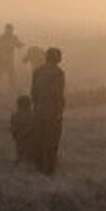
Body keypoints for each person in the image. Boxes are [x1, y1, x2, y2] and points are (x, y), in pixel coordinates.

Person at [30, 47, 65, 175]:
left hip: (39, 109)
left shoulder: (37, 71)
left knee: (39, 138)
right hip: (52, 110)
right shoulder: (58, 73)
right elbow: (58, 93)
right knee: (52, 140)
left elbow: (33, 92)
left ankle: (38, 167)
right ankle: (50, 168)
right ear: (56, 58)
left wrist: (36, 106)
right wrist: (60, 110)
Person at [0, 23, 24, 91]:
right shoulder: (1, 38)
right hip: (1, 61)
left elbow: (18, 44)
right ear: (6, 30)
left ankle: (16, 90)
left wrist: (20, 44)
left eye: (11, 30)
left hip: (9, 61)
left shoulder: (14, 37)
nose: (10, 31)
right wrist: (10, 44)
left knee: (12, 77)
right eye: (8, 29)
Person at [10, 95, 35, 163]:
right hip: (27, 136)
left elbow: (13, 126)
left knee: (20, 148)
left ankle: (21, 158)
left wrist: (16, 134)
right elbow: (32, 126)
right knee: (23, 149)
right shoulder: (32, 115)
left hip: (23, 136)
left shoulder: (15, 115)